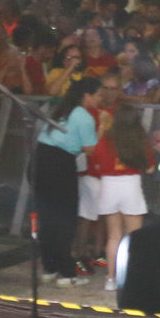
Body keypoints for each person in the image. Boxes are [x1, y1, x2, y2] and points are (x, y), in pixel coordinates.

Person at [35, 78, 99, 284]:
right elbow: (91, 149)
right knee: (64, 219)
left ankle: (50, 267)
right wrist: (104, 126)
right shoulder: (84, 117)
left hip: (40, 161)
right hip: (60, 165)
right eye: (97, 95)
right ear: (86, 96)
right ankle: (67, 273)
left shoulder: (60, 109)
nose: (99, 99)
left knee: (48, 218)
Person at [88, 104, 155, 290]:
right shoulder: (140, 140)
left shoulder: (106, 141)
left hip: (109, 188)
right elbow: (150, 168)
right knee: (133, 237)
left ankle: (111, 279)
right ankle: (131, 279)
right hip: (131, 187)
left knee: (114, 237)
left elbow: (96, 163)